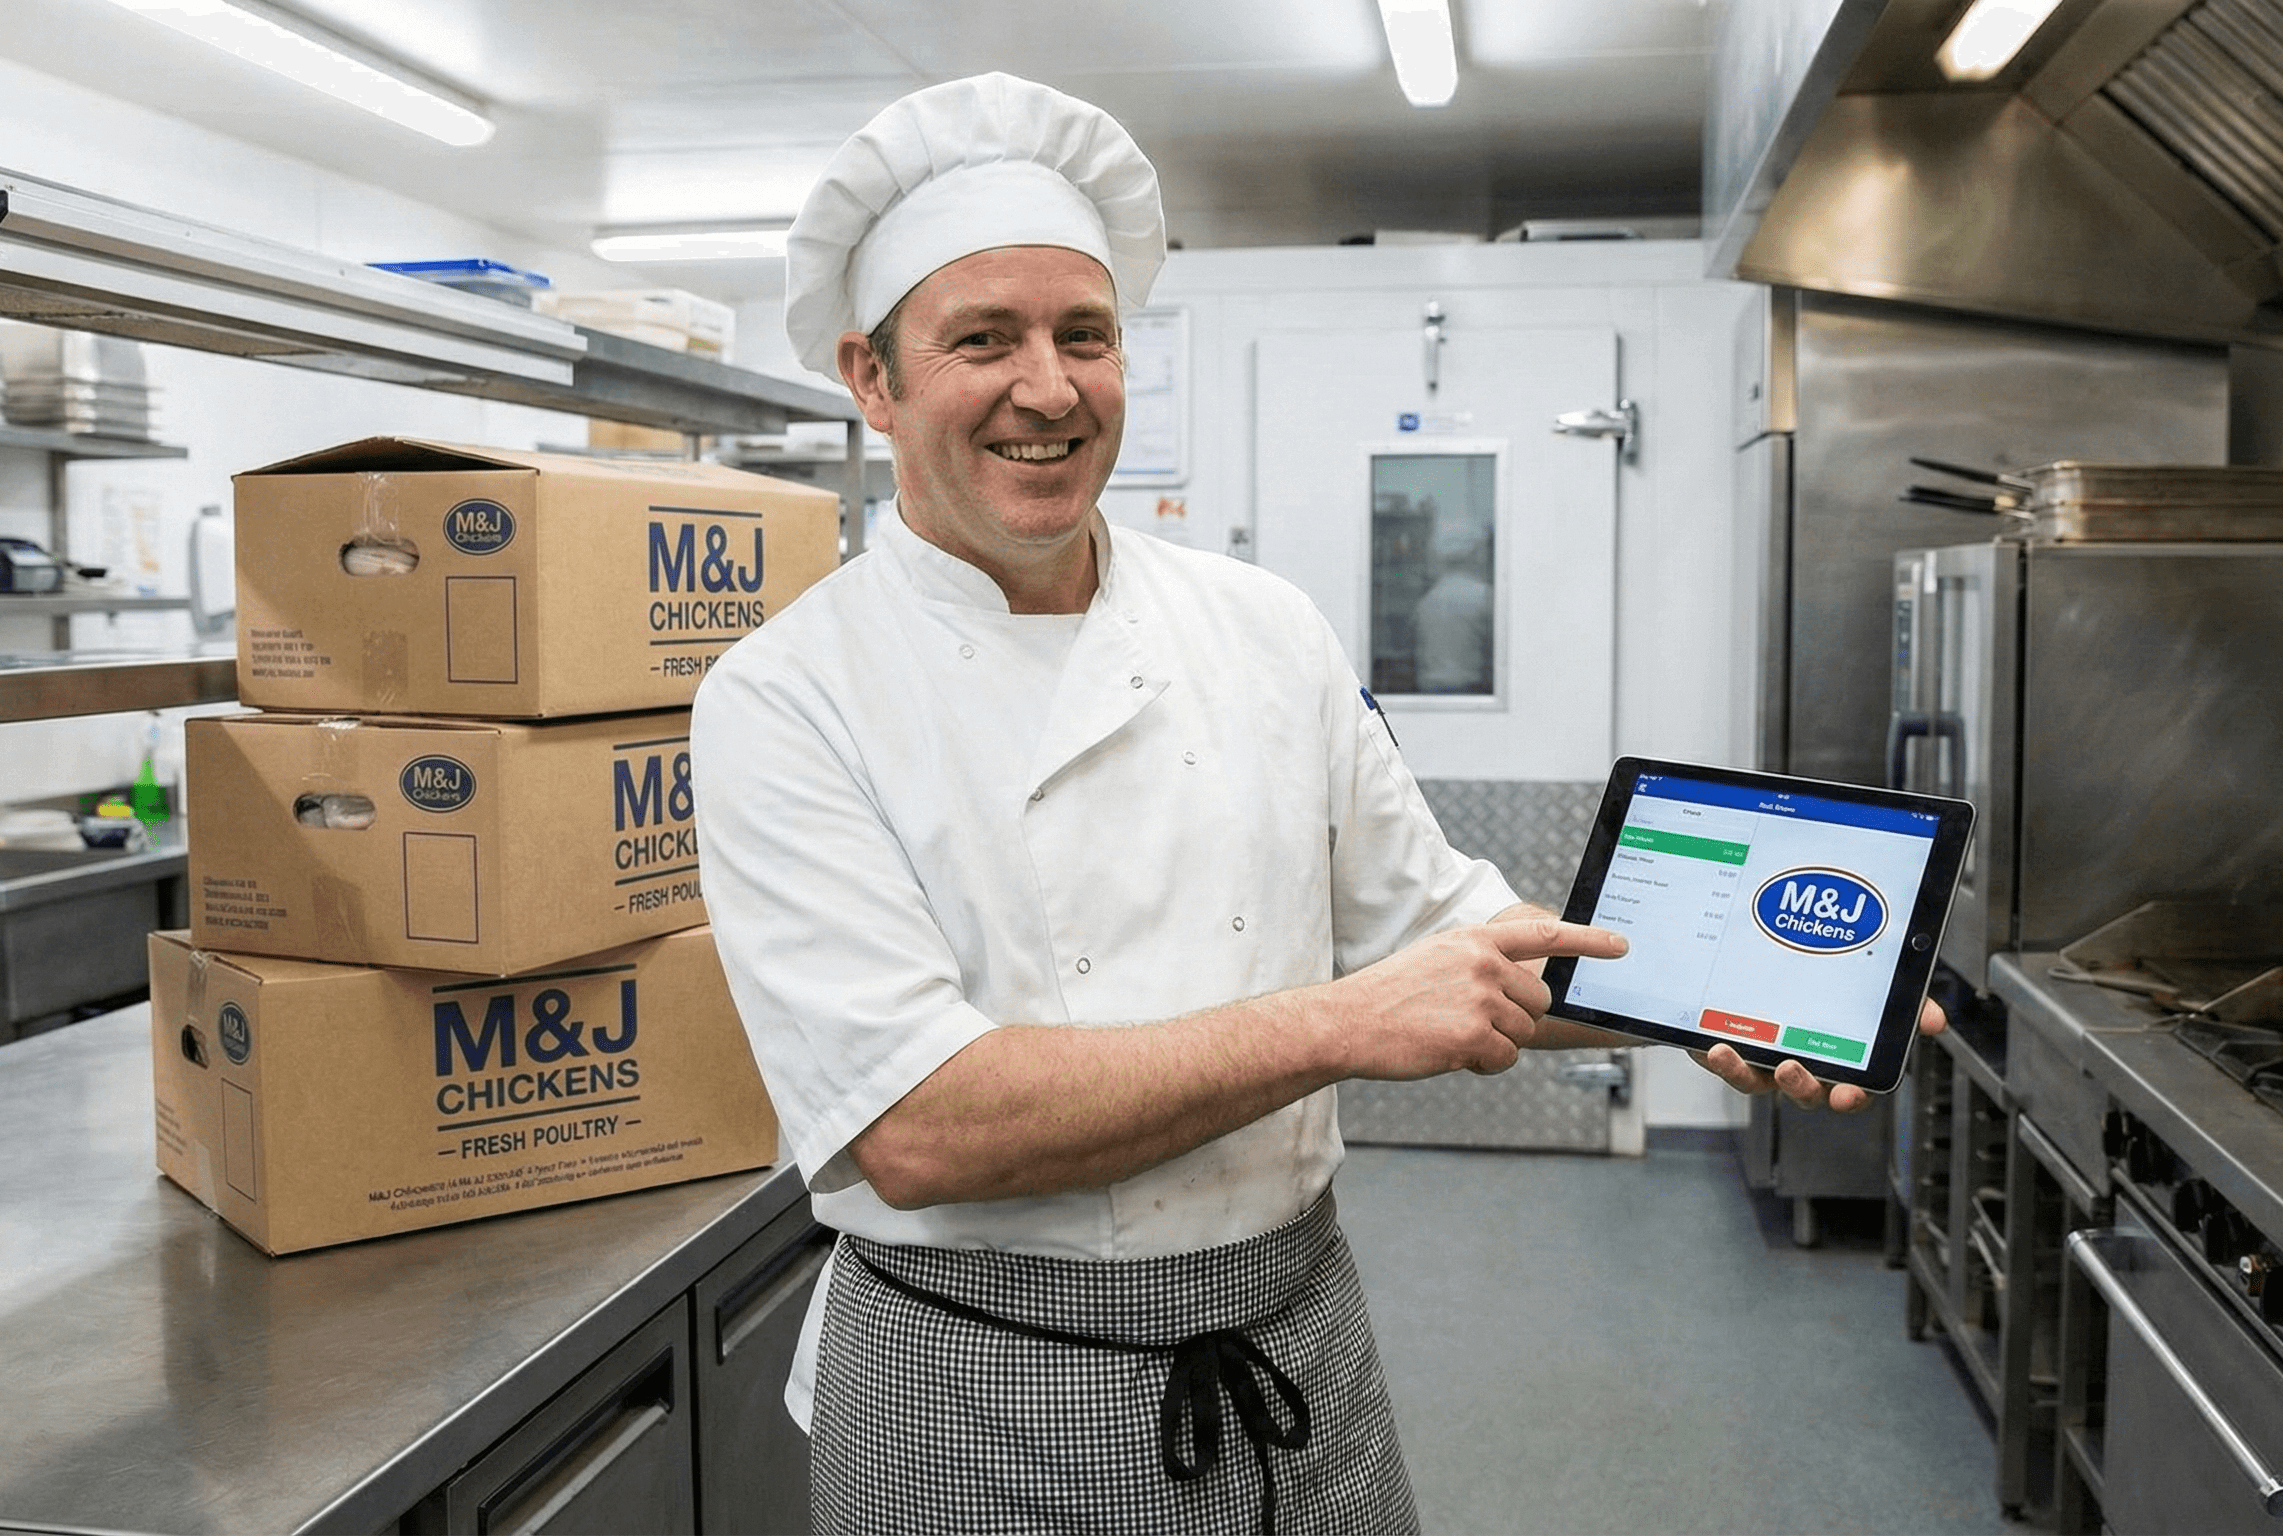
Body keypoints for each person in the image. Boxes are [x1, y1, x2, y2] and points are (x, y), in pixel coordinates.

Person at [692, 72, 1936, 1536]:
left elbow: (1448, 936)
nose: (1049, 388)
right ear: (872, 378)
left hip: (1297, 1347)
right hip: (980, 1390)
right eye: (983, 340)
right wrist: (1340, 1023)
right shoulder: (788, 697)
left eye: (1084, 335)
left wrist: (1718, 994)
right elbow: (920, 1126)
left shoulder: (1260, 625)